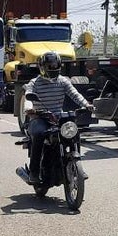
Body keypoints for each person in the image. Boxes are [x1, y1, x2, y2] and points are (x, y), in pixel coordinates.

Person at [22, 51, 92, 184]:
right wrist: (29, 108)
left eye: (55, 66)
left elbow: (74, 94)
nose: (53, 69)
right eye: (50, 66)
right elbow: (28, 96)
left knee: (74, 133)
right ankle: (34, 172)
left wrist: (86, 104)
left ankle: (78, 165)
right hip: (39, 118)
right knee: (39, 133)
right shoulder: (35, 83)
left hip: (57, 117)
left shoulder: (63, 81)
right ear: (42, 67)